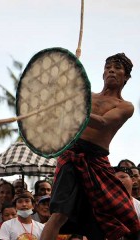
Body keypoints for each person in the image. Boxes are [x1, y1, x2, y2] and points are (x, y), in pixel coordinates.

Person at [41, 53, 140, 240]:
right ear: (103, 73)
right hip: (71, 155)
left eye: (118, 67)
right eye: (108, 66)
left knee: (122, 219)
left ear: (126, 76)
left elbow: (103, 122)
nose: (111, 70)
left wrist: (74, 108)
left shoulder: (126, 106)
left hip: (97, 161)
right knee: (59, 214)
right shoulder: (86, 97)